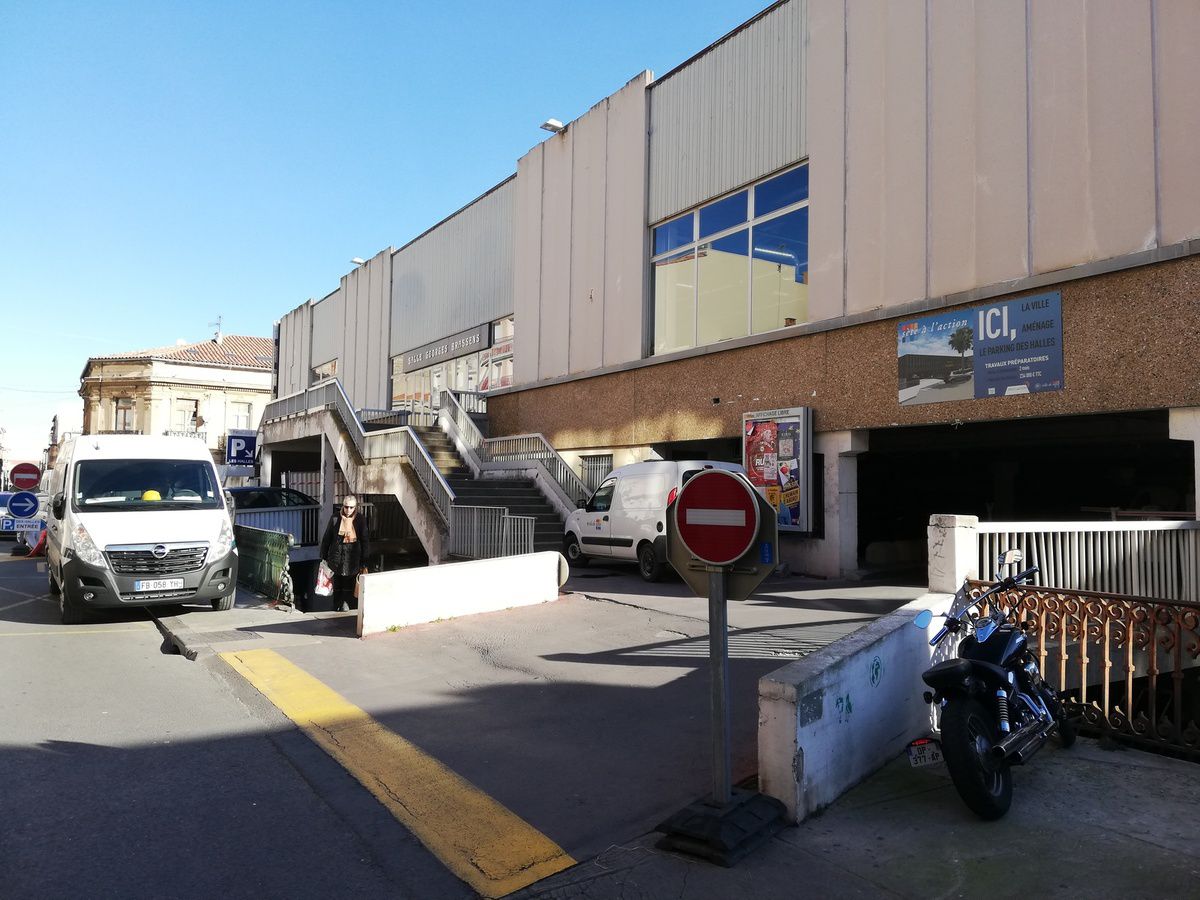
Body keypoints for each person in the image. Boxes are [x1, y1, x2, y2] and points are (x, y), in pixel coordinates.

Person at [319, 495, 369, 611]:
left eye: (351, 507)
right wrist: (324, 556)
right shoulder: (335, 518)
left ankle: (348, 607)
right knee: (338, 585)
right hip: (336, 558)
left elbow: (365, 541)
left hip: (353, 559)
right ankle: (337, 606)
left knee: (351, 586)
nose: (348, 510)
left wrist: (365, 561)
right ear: (343, 506)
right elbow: (327, 537)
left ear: (355, 507)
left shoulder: (360, 520)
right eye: (346, 507)